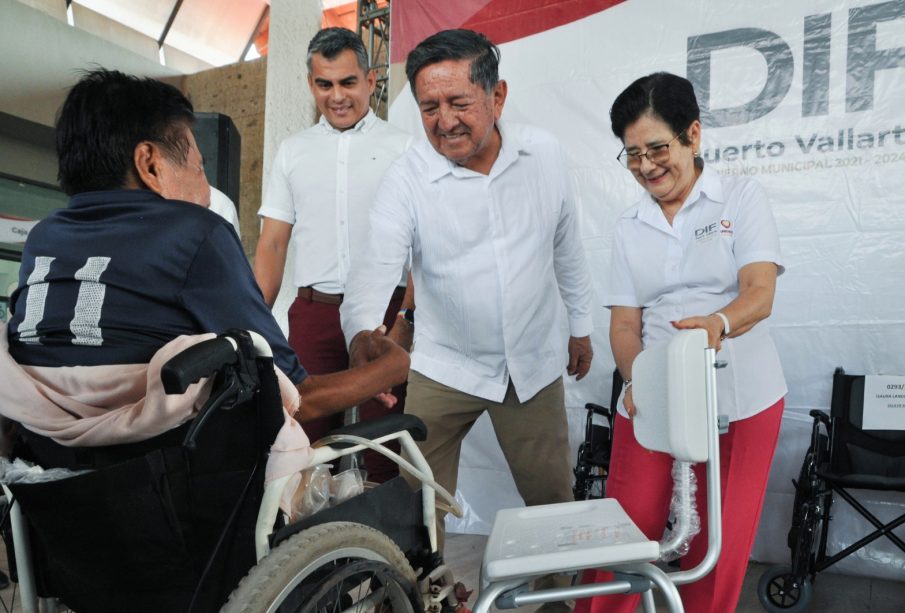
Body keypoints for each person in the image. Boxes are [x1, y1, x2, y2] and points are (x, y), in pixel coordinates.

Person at [4, 68, 409, 428]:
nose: (204, 190)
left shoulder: (44, 238)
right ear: (149, 164)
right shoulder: (195, 232)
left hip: (47, 482)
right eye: (198, 168)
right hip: (168, 484)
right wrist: (393, 365)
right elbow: (297, 397)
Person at [340, 28, 594, 584]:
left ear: (497, 97)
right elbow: (375, 266)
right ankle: (414, 598)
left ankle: (556, 603)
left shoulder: (543, 155)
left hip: (529, 363)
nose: (444, 121)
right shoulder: (407, 177)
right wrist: (364, 334)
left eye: (459, 103)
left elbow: (566, 246)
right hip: (445, 364)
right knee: (416, 510)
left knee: (552, 503)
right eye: (429, 107)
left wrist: (580, 326)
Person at [576, 72, 786, 613]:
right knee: (627, 528)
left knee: (720, 540)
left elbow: (759, 294)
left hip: (741, 396)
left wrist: (716, 325)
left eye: (658, 148)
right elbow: (624, 325)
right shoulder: (630, 225)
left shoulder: (740, 198)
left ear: (693, 135)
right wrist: (639, 379)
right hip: (654, 393)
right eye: (632, 155)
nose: (646, 166)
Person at [254, 27, 413, 482]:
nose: (337, 96)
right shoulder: (293, 152)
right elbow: (273, 243)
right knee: (302, 440)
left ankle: (389, 550)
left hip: (383, 314)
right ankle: (310, 547)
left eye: (348, 82)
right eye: (325, 84)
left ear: (369, 80)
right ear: (311, 85)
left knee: (385, 441)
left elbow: (423, 246)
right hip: (314, 314)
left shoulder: (403, 148)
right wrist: (254, 320)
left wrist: (405, 318)